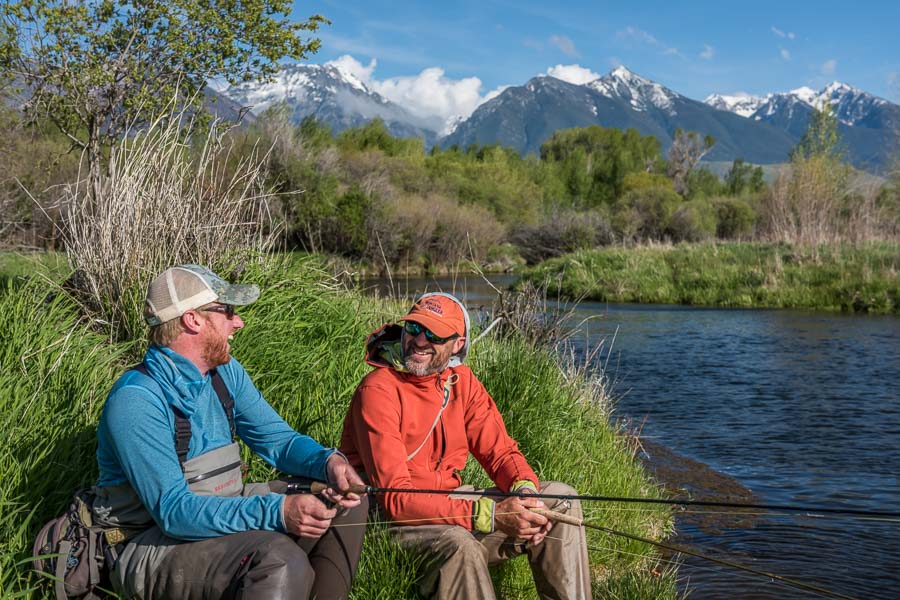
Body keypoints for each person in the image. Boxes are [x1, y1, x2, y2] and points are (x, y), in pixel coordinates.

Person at [92, 264, 368, 599]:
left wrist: (328, 463)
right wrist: (278, 512)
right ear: (192, 319)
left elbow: (279, 441)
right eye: (228, 312)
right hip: (145, 545)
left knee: (345, 499)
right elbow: (175, 514)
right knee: (278, 560)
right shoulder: (136, 400)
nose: (238, 322)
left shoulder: (225, 373)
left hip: (221, 506)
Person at [340, 292, 591, 599]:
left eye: (434, 335)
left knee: (559, 499)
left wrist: (524, 492)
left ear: (458, 344)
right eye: (414, 329)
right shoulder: (378, 390)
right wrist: (488, 515)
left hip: (450, 506)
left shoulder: (463, 382)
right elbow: (396, 499)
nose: (419, 341)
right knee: (460, 543)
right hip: (391, 523)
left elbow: (501, 454)